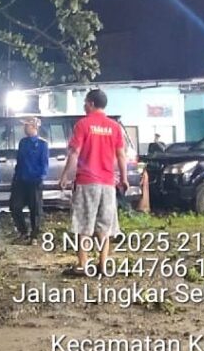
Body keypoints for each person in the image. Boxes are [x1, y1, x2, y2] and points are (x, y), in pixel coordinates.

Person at [58, 89, 128, 277]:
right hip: (108, 183)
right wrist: (124, 178)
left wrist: (65, 175)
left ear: (90, 103)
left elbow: (74, 153)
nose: (84, 106)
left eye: (85, 103)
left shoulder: (83, 125)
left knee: (84, 225)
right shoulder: (114, 127)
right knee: (105, 225)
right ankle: (103, 264)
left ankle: (83, 265)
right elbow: (121, 155)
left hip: (87, 182)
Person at [11, 118, 49, 242]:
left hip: (34, 180)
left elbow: (44, 164)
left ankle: (34, 235)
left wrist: (39, 178)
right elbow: (19, 161)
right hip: (21, 180)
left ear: (34, 127)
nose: (25, 128)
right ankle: (23, 231)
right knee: (15, 206)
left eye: (27, 126)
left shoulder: (42, 144)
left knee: (35, 209)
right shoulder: (23, 142)